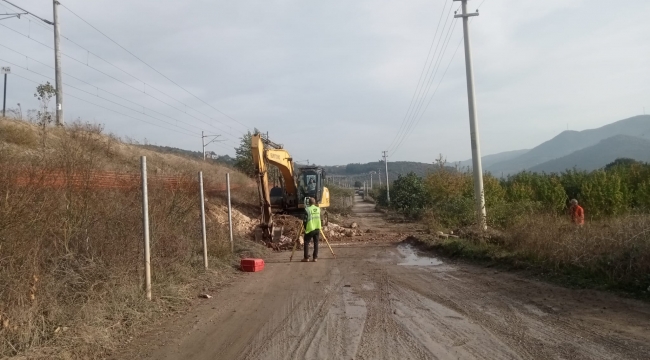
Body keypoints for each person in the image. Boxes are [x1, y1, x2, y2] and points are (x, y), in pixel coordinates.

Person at [302, 197, 321, 262]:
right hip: (317, 228)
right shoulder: (318, 209)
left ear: (309, 203)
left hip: (310, 228)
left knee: (306, 243)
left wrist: (305, 228)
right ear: (314, 202)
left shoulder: (307, 209)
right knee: (316, 243)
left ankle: (306, 258)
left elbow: (304, 220)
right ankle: (315, 258)